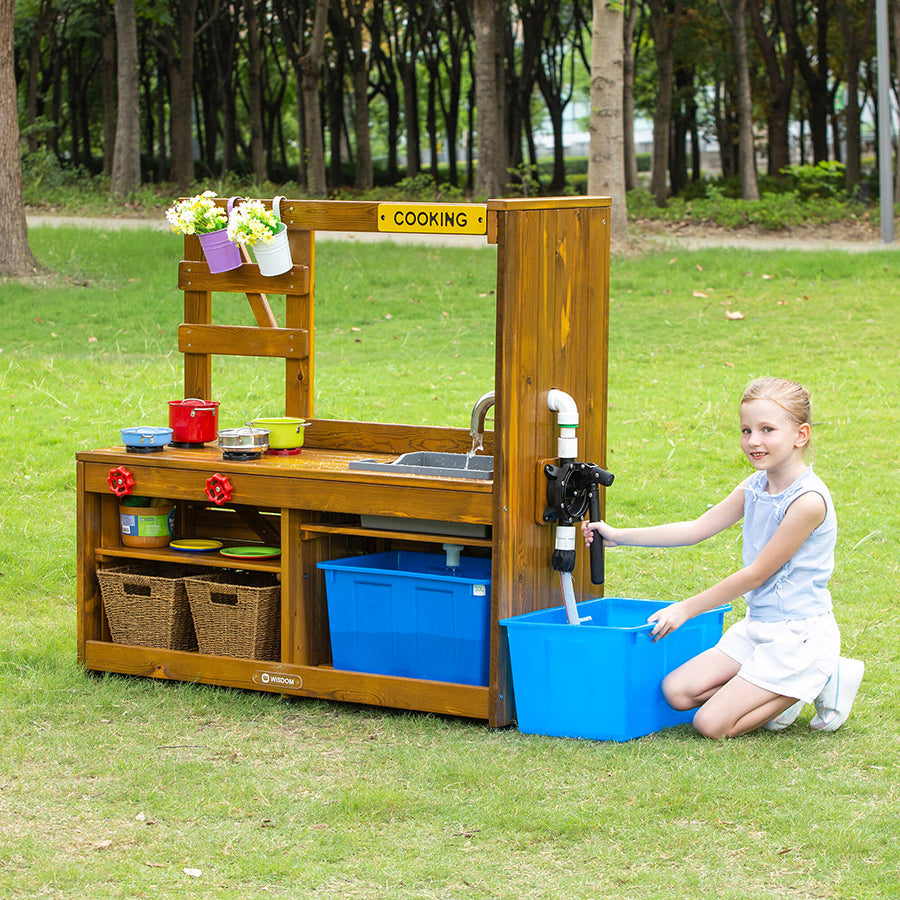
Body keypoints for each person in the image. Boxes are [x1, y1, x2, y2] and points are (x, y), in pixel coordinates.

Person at [582, 377, 864, 740]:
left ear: (801, 435)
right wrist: (619, 536)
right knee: (677, 692)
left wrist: (685, 608)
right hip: (759, 626)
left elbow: (756, 575)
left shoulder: (807, 501)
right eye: (747, 430)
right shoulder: (754, 486)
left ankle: (817, 676)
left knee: (710, 724)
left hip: (798, 636)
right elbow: (695, 529)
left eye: (767, 429)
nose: (754, 441)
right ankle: (783, 690)